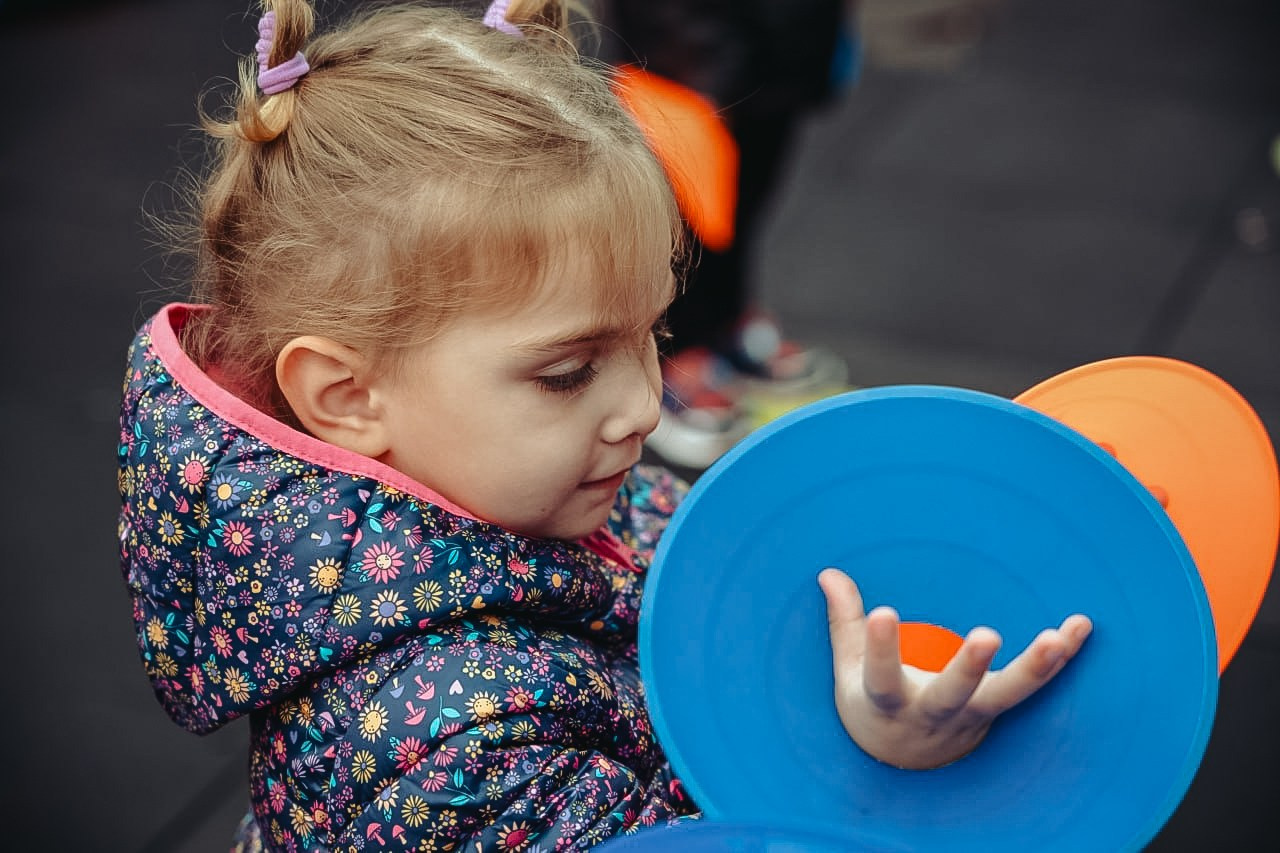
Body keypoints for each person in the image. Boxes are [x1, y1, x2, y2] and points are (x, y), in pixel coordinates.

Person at [116, 1, 1091, 849]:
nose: (640, 405)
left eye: (654, 331)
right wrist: (877, 772)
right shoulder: (451, 748)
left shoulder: (542, 484)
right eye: (568, 370)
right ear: (346, 396)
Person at [602, 0, 856, 469]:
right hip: (684, 49)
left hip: (784, 46)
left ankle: (725, 321)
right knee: (680, 213)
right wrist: (696, 58)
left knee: (746, 200)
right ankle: (673, 349)